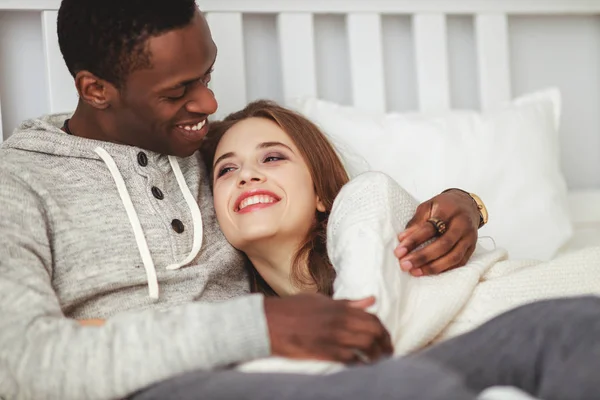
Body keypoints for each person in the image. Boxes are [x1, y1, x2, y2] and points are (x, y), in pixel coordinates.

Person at [0, 1, 486, 399]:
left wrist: (463, 205)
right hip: (159, 384)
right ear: (96, 90)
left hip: (282, 367)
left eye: (208, 76)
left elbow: (348, 211)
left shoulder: (216, 150)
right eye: (178, 91)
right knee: (413, 386)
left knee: (554, 331)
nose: (209, 105)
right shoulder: (16, 185)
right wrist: (257, 326)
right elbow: (19, 364)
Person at [201, 100, 600, 357]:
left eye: (271, 158)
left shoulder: (363, 198)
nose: (247, 175)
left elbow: (365, 334)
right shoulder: (256, 321)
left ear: (322, 193)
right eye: (227, 169)